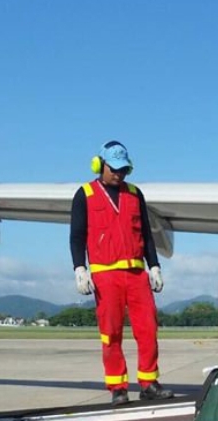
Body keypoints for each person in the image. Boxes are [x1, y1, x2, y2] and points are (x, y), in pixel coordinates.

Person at [69, 140, 173, 405]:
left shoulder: (134, 194)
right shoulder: (85, 194)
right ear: (99, 165)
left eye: (124, 169)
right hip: (106, 275)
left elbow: (147, 235)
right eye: (114, 169)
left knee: (148, 328)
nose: (119, 174)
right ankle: (118, 387)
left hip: (137, 274)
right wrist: (79, 268)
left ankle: (149, 383)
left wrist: (155, 266)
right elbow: (77, 236)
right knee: (111, 332)